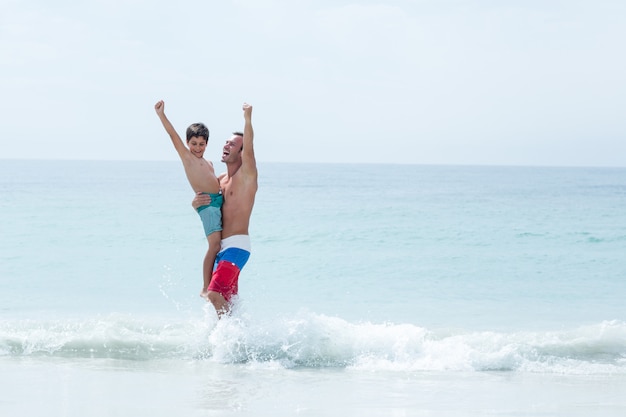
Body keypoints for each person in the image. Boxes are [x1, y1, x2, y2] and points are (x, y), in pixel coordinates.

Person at [192, 102, 257, 317]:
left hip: (237, 247)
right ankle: (237, 340)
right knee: (227, 301)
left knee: (213, 294)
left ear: (242, 152)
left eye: (233, 145)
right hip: (222, 249)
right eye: (226, 142)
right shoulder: (220, 180)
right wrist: (196, 205)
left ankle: (230, 339)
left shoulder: (246, 176)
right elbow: (212, 209)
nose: (226, 146)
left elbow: (249, 147)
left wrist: (247, 119)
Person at [154, 100, 223, 300]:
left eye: (201, 144)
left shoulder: (208, 162)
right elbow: (172, 135)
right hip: (207, 205)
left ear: (207, 144)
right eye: (193, 143)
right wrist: (161, 115)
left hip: (217, 202)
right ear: (187, 143)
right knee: (214, 246)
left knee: (221, 245)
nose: (197, 147)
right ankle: (204, 287)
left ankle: (216, 282)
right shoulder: (187, 158)